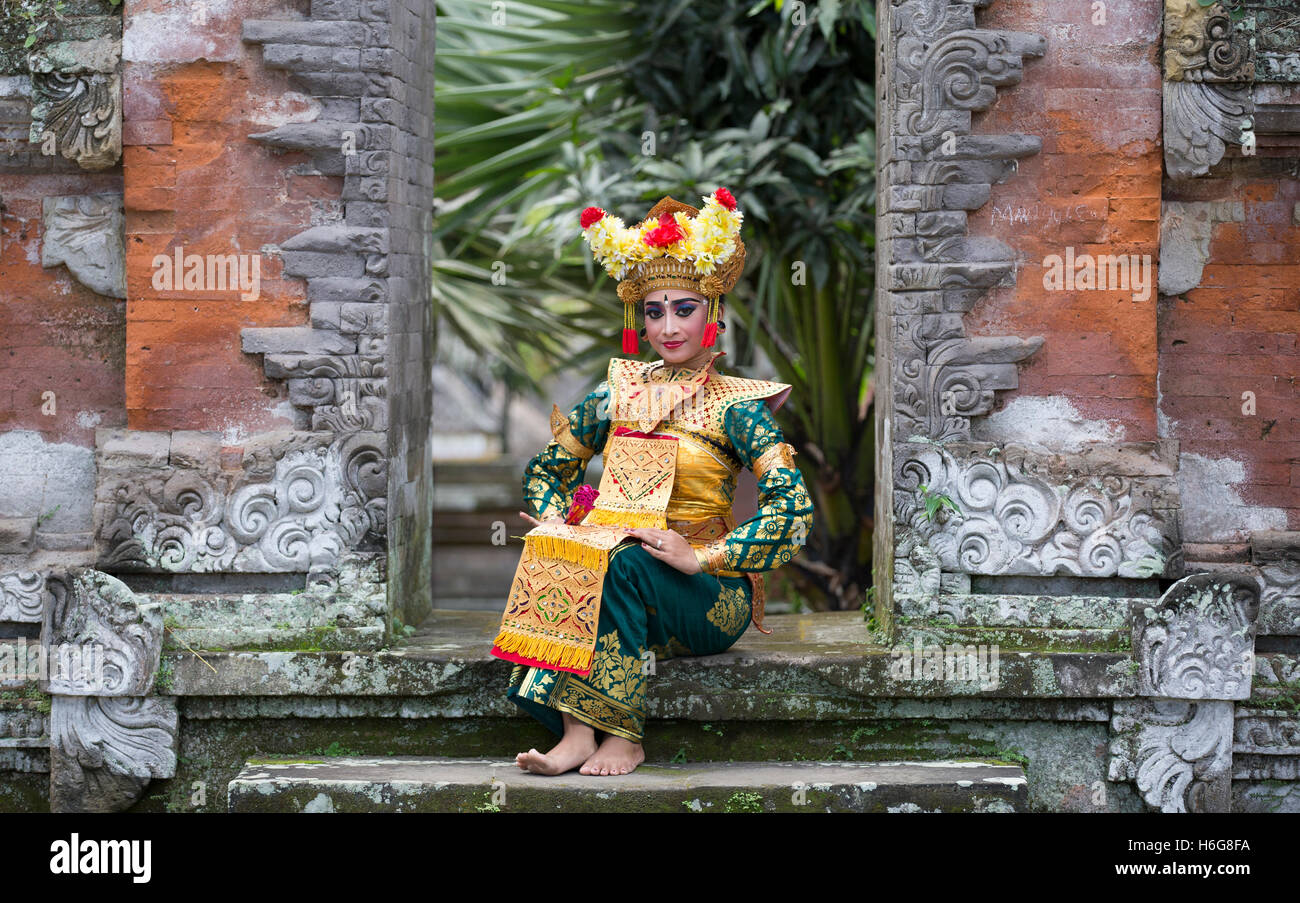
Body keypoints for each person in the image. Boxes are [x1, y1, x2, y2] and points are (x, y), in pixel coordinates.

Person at [496, 189, 814, 777]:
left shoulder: (739, 406)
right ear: (638, 318)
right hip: (620, 567)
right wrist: (558, 519)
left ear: (712, 312)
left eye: (684, 309)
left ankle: (623, 735)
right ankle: (577, 733)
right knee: (565, 549)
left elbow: (794, 511)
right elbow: (548, 469)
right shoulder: (615, 391)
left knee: (622, 564)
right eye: (654, 311)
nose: (668, 326)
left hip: (708, 598)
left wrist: (704, 555)